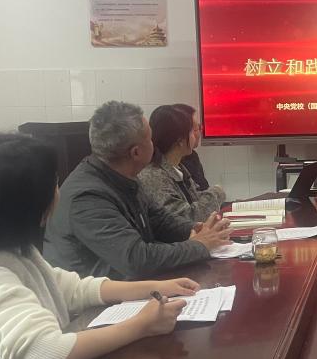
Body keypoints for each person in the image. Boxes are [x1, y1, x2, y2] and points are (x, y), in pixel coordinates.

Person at [0, 134, 198, 359]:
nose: (59, 191)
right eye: (54, 183)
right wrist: (141, 325)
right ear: (30, 202)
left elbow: (66, 287)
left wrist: (151, 287)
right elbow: (45, 354)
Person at [44, 101, 231, 280]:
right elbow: (137, 260)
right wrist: (199, 245)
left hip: (129, 285)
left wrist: (197, 229)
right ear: (136, 152)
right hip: (97, 298)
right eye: (150, 138)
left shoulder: (124, 175)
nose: (155, 144)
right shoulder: (87, 198)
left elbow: (160, 221)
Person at [138, 105, 226, 224]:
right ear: (180, 140)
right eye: (192, 131)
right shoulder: (153, 176)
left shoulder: (178, 168)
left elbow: (195, 199)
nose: (196, 135)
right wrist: (216, 192)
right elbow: (188, 218)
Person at [172, 103, 211, 192]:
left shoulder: (192, 156)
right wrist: (218, 191)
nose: (200, 132)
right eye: (197, 128)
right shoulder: (162, 171)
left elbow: (202, 190)